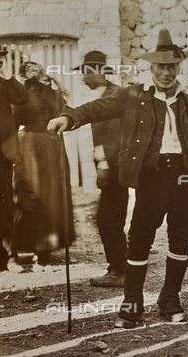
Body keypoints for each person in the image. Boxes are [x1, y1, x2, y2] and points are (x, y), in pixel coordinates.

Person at [47, 28, 188, 327]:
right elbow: (98, 108)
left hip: (184, 177)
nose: (166, 73)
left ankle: (170, 299)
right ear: (151, 68)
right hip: (152, 176)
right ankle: (132, 304)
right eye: (161, 67)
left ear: (179, 68)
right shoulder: (133, 95)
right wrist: (68, 117)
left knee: (180, 239)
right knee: (139, 239)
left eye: (171, 67)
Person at [73, 51, 129, 287]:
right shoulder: (107, 93)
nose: (83, 77)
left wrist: (105, 165)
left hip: (116, 169)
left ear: (98, 71)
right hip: (111, 168)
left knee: (109, 220)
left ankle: (119, 271)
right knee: (109, 219)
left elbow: (116, 139)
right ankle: (121, 266)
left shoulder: (114, 96)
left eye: (86, 72)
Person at [12, 61, 75, 271]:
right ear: (25, 75)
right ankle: (25, 248)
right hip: (30, 147)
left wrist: (54, 83)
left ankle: (46, 250)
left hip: (53, 146)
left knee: (53, 197)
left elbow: (66, 108)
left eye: (39, 69)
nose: (37, 72)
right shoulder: (23, 93)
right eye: (31, 70)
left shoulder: (53, 92)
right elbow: (14, 118)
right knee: (30, 194)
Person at [0, 36, 29, 272]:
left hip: (1, 153)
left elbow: (23, 98)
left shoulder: (2, 83)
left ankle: (9, 258)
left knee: (4, 205)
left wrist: (9, 75)